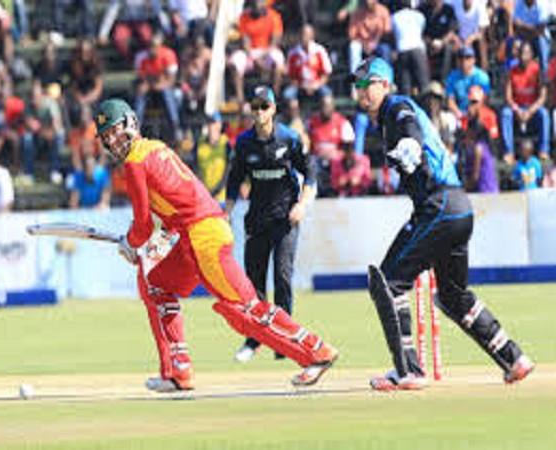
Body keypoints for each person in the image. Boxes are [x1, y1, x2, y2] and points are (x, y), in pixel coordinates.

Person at [94, 98, 338, 392]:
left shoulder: (135, 162)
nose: (113, 140)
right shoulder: (156, 148)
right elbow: (174, 210)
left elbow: (143, 225)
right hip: (193, 235)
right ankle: (177, 370)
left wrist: (131, 242)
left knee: (245, 311)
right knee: (153, 282)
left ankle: (317, 351)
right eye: (107, 136)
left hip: (203, 238)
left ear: (131, 123)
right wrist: (151, 246)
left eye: (116, 130)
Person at [351, 57, 534, 390]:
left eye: (367, 85)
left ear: (385, 84)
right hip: (457, 208)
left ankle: (408, 370)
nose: (361, 92)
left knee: (388, 282)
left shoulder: (396, 106)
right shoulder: (386, 118)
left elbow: (411, 129)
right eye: (358, 86)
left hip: (439, 206)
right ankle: (514, 358)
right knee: (451, 296)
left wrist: (410, 145)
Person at [225, 86, 318, 362]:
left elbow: (310, 173)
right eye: (254, 106)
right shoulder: (244, 143)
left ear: (274, 109)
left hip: (285, 219)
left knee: (282, 277)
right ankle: (255, 340)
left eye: (264, 106)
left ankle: (285, 340)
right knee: (253, 283)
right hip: (257, 219)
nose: (259, 111)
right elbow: (234, 181)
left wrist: (302, 205)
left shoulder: (289, 138)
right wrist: (226, 213)